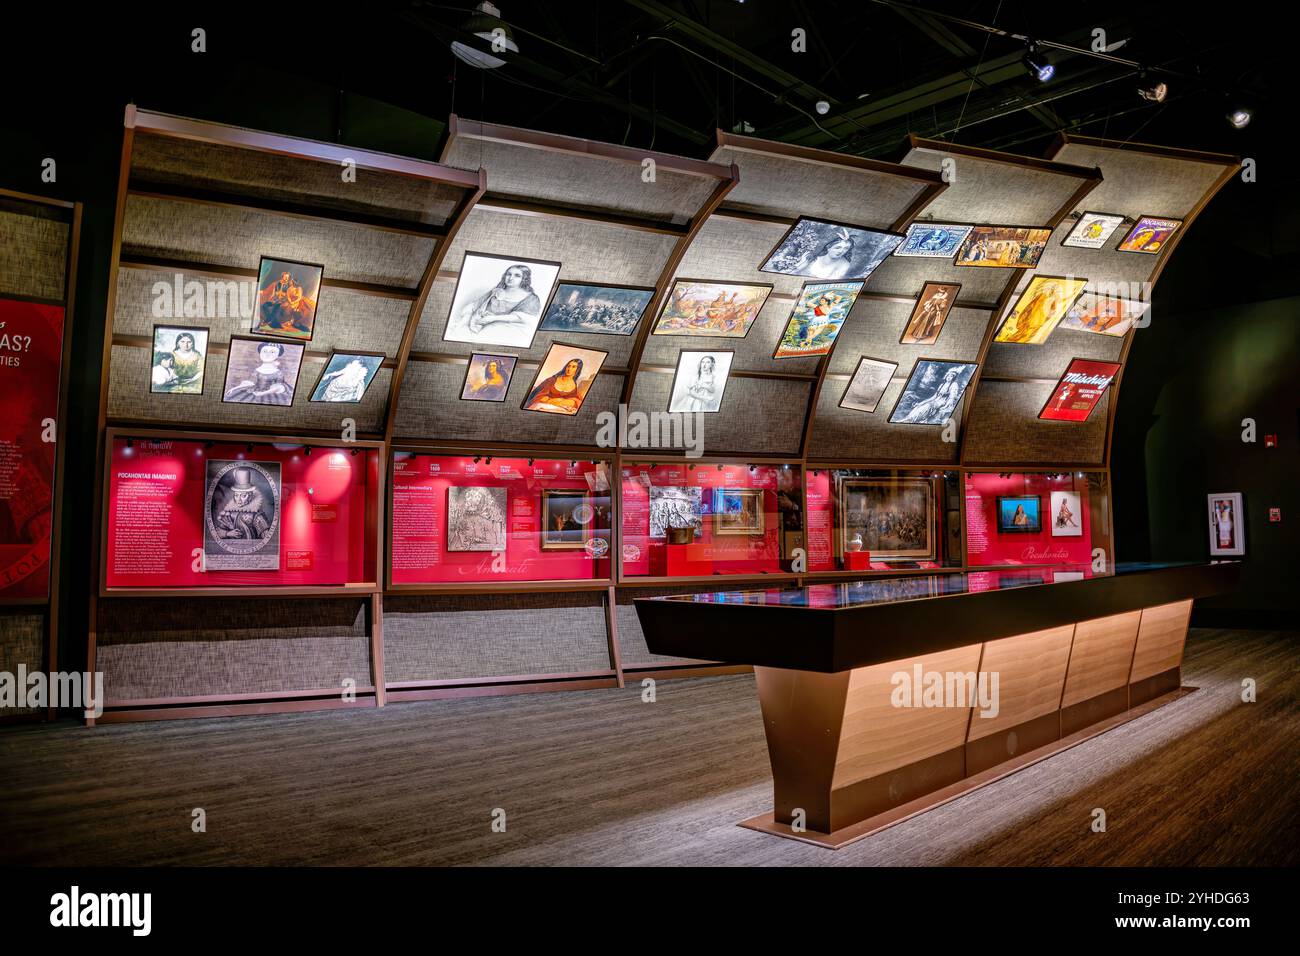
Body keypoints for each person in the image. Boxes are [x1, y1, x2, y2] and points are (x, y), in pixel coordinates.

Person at [460, 264, 542, 339]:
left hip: (505, 328)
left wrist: (492, 319)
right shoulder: (496, 291)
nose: (511, 278)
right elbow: (477, 305)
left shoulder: (531, 298)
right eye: (509, 274)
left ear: (524, 279)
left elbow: (523, 319)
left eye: (517, 276)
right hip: (479, 323)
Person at [224, 341, 294, 405]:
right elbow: (251, 383)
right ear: (260, 353)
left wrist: (262, 393)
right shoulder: (257, 370)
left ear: (277, 355)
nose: (267, 354)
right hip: (255, 392)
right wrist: (234, 388)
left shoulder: (278, 373)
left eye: (272, 352)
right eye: (265, 351)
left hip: (271, 395)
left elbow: (278, 387)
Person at [213, 469, 273, 541]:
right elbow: (218, 534)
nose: (239, 499)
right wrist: (228, 533)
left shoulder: (257, 515)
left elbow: (267, 539)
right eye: (236, 495)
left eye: (243, 496)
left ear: (250, 496)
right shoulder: (229, 513)